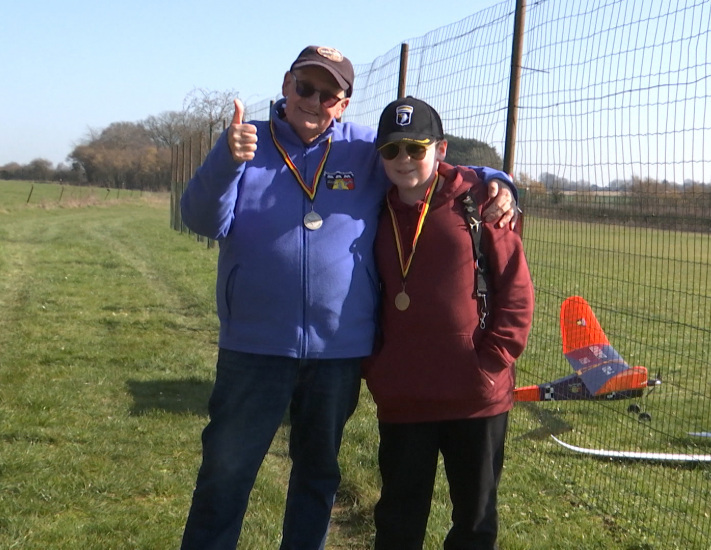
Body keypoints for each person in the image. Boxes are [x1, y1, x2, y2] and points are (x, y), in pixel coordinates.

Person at [179, 46, 517, 550]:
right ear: (286, 83)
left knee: (317, 479)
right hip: (254, 348)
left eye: (328, 93)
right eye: (305, 87)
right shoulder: (245, 142)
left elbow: (432, 166)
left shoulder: (367, 149)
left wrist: (498, 180)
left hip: (337, 354)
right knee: (225, 476)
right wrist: (226, 160)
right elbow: (203, 220)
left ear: (344, 102)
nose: (313, 101)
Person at [363, 97, 534, 550]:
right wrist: (378, 367)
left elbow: (516, 290)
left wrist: (492, 360)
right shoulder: (371, 210)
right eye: (391, 150)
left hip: (476, 397)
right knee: (398, 521)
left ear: (439, 149)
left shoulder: (481, 204)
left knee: (475, 524)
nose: (403, 160)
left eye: (415, 148)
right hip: (404, 396)